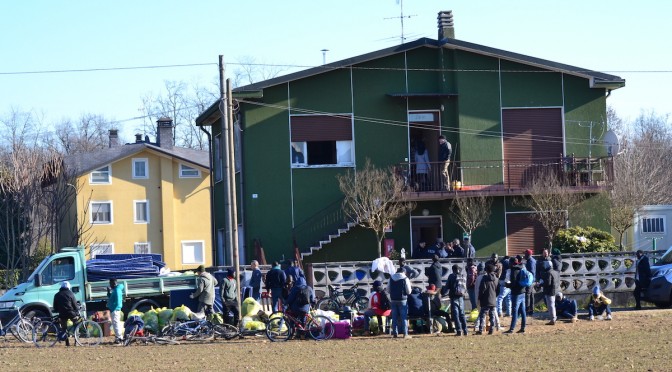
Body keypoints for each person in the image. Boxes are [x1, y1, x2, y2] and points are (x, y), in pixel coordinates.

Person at [504, 256, 527, 334]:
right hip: (523, 292)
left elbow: (513, 284)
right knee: (523, 311)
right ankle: (523, 328)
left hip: (516, 293)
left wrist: (507, 285)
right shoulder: (522, 267)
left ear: (511, 263)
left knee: (515, 311)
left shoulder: (514, 270)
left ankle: (511, 329)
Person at [53, 281, 79, 346]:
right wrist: (76, 310)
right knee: (76, 323)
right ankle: (76, 341)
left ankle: (67, 343)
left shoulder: (57, 295)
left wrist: (57, 310)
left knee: (64, 328)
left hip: (62, 314)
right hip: (70, 313)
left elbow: (55, 307)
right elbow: (75, 305)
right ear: (68, 287)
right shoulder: (71, 294)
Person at [444, 264, 468, 336]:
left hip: (454, 297)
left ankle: (459, 330)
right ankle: (465, 330)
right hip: (461, 297)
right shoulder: (463, 276)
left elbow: (447, 286)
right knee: (462, 314)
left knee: (456, 315)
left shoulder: (451, 276)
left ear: (453, 269)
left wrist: (442, 293)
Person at [388, 267, 412, 339]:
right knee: (403, 317)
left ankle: (395, 333)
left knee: (394, 317)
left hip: (393, 299)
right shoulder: (405, 278)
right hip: (402, 300)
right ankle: (405, 334)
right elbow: (408, 291)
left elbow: (388, 289)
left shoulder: (391, 278)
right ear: (404, 272)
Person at [475, 264, 499, 335]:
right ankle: (491, 329)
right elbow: (498, 290)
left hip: (485, 300)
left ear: (487, 270)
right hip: (493, 299)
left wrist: (479, 298)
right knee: (492, 315)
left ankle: (480, 330)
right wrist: (495, 296)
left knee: (482, 315)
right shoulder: (496, 279)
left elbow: (482, 289)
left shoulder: (484, 278)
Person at [538, 260, 559, 325]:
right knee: (553, 305)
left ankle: (553, 319)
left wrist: (540, 284)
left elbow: (548, 283)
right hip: (555, 290)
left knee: (550, 305)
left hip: (549, 291)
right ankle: (554, 318)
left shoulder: (548, 273)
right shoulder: (555, 272)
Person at [107, 278, 125, 344]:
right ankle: (118, 338)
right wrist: (108, 292)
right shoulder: (115, 290)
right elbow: (111, 298)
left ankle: (119, 338)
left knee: (116, 324)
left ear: (114, 283)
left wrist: (113, 309)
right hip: (114, 309)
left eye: (110, 283)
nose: (110, 285)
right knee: (115, 324)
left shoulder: (117, 290)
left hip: (115, 310)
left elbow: (118, 302)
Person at [523, 249, 537, 315]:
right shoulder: (532, 260)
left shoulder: (531, 262)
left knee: (528, 295)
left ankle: (527, 310)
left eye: (525, 254)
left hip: (530, 281)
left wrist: (529, 281)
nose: (524, 255)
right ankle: (532, 310)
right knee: (531, 295)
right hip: (533, 280)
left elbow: (532, 272)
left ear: (528, 255)